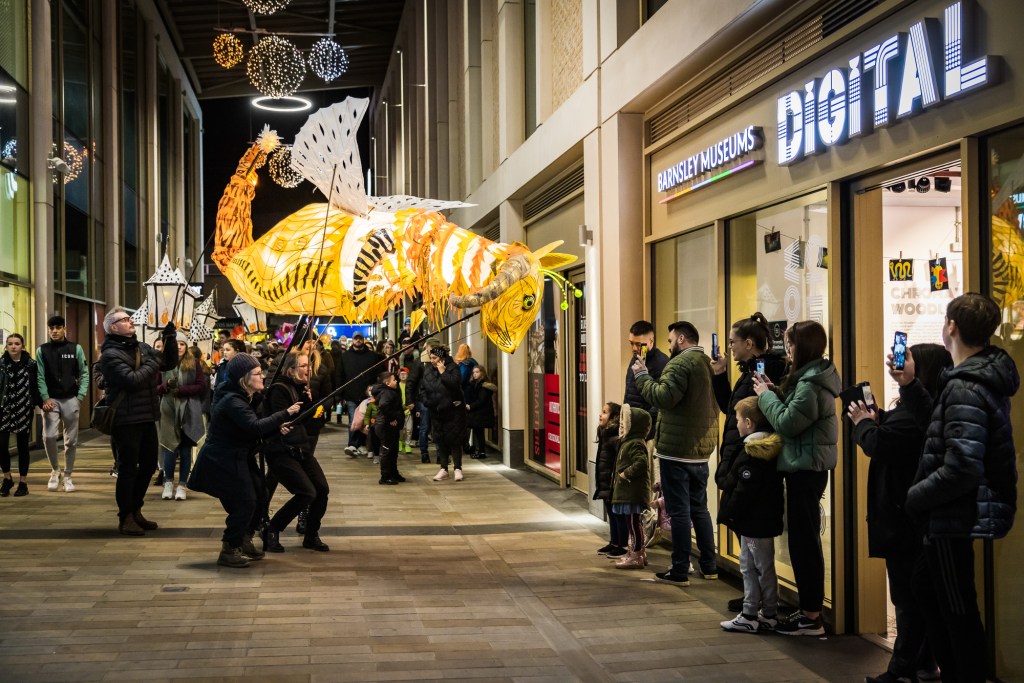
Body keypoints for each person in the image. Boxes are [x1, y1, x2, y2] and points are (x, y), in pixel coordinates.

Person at [890, 293, 1018, 681]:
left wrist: (915, 497)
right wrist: (911, 385)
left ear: (951, 327)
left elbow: (962, 465)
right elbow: (943, 429)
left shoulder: (965, 385)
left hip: (954, 513)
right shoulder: (968, 379)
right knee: (929, 589)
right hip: (953, 511)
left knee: (956, 606)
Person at [850, 344, 950, 683]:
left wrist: (864, 424)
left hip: (903, 517)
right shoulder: (927, 409)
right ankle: (922, 664)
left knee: (908, 600)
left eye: (908, 364)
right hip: (909, 515)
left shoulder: (919, 413)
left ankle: (904, 668)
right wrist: (878, 419)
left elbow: (882, 444)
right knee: (916, 597)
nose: (898, 367)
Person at [753, 320, 841, 636]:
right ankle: (809, 612)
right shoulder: (809, 379)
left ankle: (811, 616)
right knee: (803, 541)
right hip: (805, 466)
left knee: (805, 543)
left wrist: (765, 396)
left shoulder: (811, 384)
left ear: (799, 347)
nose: (787, 350)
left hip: (806, 469)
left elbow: (788, 423)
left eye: (790, 344)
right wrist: (773, 390)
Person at [187, 353, 300, 568]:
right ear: (243, 378)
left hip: (239, 455)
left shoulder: (245, 397)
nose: (263, 377)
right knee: (245, 502)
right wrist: (284, 414)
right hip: (222, 459)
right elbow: (254, 427)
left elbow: (254, 427)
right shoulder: (232, 400)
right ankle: (230, 547)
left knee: (261, 493)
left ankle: (244, 539)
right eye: (257, 374)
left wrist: (275, 427)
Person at [632, 321, 719, 586]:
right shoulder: (705, 362)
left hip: (676, 451)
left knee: (679, 510)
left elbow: (663, 397)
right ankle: (709, 565)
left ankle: (680, 569)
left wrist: (642, 376)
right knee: (700, 509)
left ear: (681, 339)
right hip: (700, 451)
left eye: (670, 341)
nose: (668, 346)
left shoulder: (680, 364)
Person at [710, 312, 786, 612]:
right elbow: (734, 411)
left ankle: (760, 602)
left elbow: (758, 415)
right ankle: (754, 597)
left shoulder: (766, 371)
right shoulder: (748, 371)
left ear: (749, 342)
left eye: (733, 342)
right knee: (744, 528)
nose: (729, 347)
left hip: (752, 458)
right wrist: (718, 375)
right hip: (739, 453)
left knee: (752, 532)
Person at [99, 308, 178, 536]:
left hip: (146, 415)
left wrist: (169, 339)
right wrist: (152, 364)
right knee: (127, 469)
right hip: (125, 419)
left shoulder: (140, 347)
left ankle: (136, 509)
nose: (130, 321)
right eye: (124, 320)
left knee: (148, 466)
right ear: (113, 327)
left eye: (129, 318)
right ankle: (125, 517)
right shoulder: (110, 355)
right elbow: (132, 380)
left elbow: (167, 363)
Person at [718, 396, 784, 634]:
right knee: (760, 565)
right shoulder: (767, 450)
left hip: (752, 522)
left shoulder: (751, 452)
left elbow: (742, 490)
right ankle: (767, 613)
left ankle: (752, 613)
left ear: (748, 423)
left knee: (753, 566)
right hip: (762, 520)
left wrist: (732, 513)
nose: (735, 425)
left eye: (737, 420)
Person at [260, 351, 331, 553]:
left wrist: (308, 402)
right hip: (281, 450)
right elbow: (281, 421)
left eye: (308, 365)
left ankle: (311, 534)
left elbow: (304, 422)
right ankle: (272, 529)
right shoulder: (278, 390)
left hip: (300, 447)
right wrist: (298, 407)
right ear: (290, 370)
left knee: (321, 490)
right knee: (306, 492)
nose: (308, 369)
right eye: (302, 366)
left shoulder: (299, 387)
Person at [36, 314, 89, 493]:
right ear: (48, 330)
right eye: (52, 328)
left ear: (64, 329)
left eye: (58, 328)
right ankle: (54, 471)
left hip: (70, 398)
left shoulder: (76, 348)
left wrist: (80, 396)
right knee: (49, 436)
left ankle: (68, 475)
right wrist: (45, 398)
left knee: (71, 440)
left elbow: (84, 372)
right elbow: (40, 376)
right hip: (51, 400)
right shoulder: (42, 350)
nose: (55, 331)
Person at [157, 334, 208, 501]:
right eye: (175, 344)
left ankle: (182, 485)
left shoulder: (193, 363)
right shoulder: (161, 364)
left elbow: (201, 385)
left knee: (185, 450)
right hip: (168, 410)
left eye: (182, 344)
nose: (179, 347)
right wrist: (166, 386)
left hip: (188, 410)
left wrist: (182, 390)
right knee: (170, 448)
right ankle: (168, 482)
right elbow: (153, 387)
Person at [610, 405, 653, 570]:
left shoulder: (635, 443)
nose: (621, 424)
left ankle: (637, 553)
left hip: (632, 491)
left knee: (634, 523)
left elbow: (641, 463)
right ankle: (636, 551)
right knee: (632, 522)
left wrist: (626, 474)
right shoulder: (628, 441)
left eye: (624, 421)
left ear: (634, 425)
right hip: (628, 491)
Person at [1, 334, 43, 497]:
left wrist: (41, 403)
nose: (13, 347)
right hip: (4, 409)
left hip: (24, 409)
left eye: (17, 344)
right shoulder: (1, 364)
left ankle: (23, 482)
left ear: (22, 346)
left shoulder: (31, 365)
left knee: (22, 446)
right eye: (10, 344)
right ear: (6, 346)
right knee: (2, 446)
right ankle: (7, 478)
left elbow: (36, 386)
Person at [422, 344, 467, 481]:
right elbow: (423, 388)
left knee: (454, 439)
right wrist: (427, 401)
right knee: (440, 439)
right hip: (435, 411)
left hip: (453, 411)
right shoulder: (428, 370)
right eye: (431, 358)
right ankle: (443, 469)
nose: (432, 360)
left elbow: (455, 384)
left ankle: (458, 468)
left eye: (435, 358)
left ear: (441, 358)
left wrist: (443, 372)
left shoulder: (453, 367)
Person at [338, 333, 383, 456]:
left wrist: (375, 390)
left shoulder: (372, 356)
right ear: (352, 340)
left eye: (360, 338)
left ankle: (362, 444)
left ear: (363, 340)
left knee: (365, 420)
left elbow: (377, 374)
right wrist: (340, 393)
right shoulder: (345, 356)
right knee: (354, 419)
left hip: (368, 395)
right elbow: (340, 375)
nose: (358, 340)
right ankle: (352, 444)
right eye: (356, 338)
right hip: (351, 393)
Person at [624, 320, 670, 440]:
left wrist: (645, 426)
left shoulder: (662, 362)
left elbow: (660, 401)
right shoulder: (635, 359)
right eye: (631, 343)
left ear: (651, 341)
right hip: (630, 423)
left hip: (647, 430)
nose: (634, 348)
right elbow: (630, 392)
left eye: (638, 344)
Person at [592, 402, 624, 558]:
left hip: (612, 482)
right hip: (605, 481)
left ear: (613, 417)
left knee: (617, 513)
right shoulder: (605, 433)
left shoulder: (613, 438)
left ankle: (621, 544)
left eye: (604, 412)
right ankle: (614, 541)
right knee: (611, 513)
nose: (600, 414)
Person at [372, 371, 406, 485]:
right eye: (394, 380)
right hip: (385, 426)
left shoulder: (388, 391)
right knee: (387, 451)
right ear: (387, 383)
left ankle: (393, 473)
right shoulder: (387, 393)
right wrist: (392, 418)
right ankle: (385, 476)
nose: (396, 381)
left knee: (393, 450)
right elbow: (384, 405)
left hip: (388, 426)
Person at [465, 366, 496, 459]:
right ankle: (479, 451)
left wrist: (470, 406)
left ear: (482, 373)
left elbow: (481, 400)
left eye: (477, 372)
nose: (475, 374)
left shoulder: (483, 386)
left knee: (479, 433)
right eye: (473, 372)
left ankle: (481, 451)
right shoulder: (475, 384)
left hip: (481, 413)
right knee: (478, 432)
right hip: (478, 412)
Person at [397, 367, 414, 453]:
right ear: (399, 376)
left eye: (405, 374)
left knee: (409, 429)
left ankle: (407, 444)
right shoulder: (397, 386)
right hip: (400, 411)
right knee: (400, 429)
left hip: (409, 411)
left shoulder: (410, 385)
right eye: (401, 374)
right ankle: (400, 442)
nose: (403, 376)